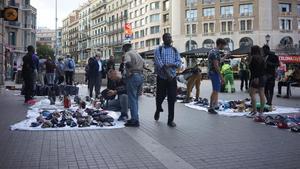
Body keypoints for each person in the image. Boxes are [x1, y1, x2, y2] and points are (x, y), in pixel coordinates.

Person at [154, 33, 181, 127]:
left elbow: (179, 62)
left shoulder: (174, 50)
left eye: (170, 37)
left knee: (172, 98)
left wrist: (171, 65)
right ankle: (158, 109)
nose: (170, 39)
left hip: (172, 78)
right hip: (162, 77)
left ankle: (170, 120)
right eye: (168, 37)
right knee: (160, 96)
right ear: (164, 39)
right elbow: (159, 63)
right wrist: (167, 74)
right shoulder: (159, 49)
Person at [122, 40, 145, 127]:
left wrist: (130, 69)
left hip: (133, 77)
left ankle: (134, 120)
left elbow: (128, 63)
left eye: (123, 47)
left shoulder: (128, 54)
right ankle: (135, 118)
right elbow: (144, 64)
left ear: (125, 47)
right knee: (135, 99)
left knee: (132, 99)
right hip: (140, 76)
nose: (123, 49)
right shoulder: (137, 53)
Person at [207, 38, 228, 114]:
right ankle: (211, 107)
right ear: (220, 44)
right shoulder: (215, 52)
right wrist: (221, 77)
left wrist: (225, 56)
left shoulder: (214, 51)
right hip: (214, 73)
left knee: (216, 89)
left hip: (212, 72)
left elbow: (219, 61)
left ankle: (214, 105)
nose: (224, 47)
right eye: (224, 45)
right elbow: (216, 65)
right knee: (215, 90)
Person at [247, 45, 266, 118]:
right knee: (261, 94)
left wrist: (255, 78)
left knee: (252, 94)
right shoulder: (262, 58)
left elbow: (254, 69)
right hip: (262, 77)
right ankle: (261, 112)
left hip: (255, 77)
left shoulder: (253, 58)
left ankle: (254, 111)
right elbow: (263, 68)